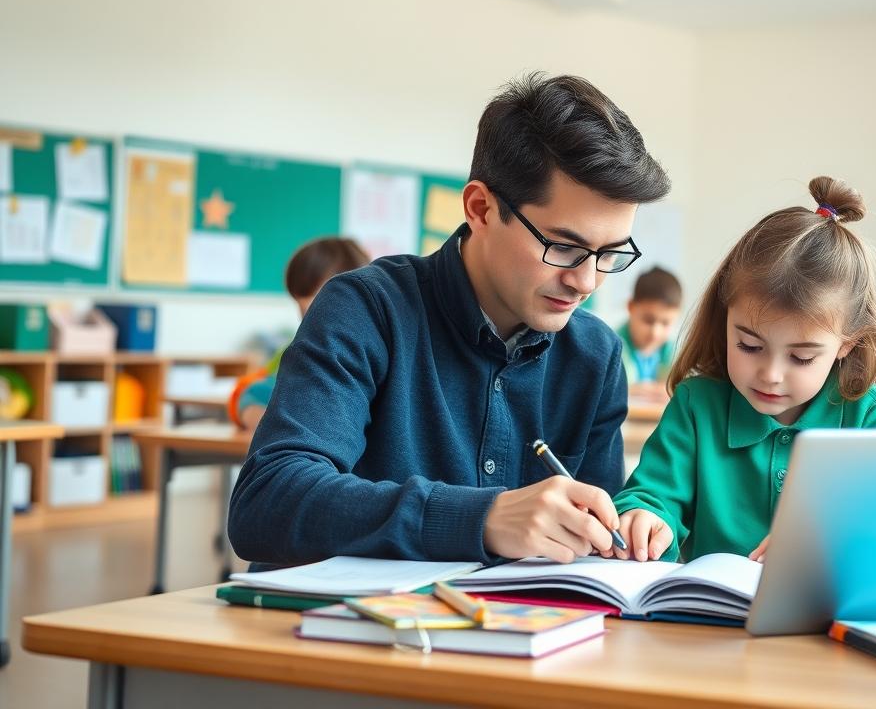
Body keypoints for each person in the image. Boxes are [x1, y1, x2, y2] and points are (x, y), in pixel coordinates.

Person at [228, 73, 671, 565]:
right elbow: (266, 503)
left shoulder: (595, 356)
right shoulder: (365, 309)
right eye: (563, 247)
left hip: (516, 635)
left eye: (610, 253)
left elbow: (591, 555)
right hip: (342, 635)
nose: (587, 282)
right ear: (480, 208)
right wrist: (482, 518)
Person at [610, 176, 876, 563]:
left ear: (846, 344)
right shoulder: (696, 405)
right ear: (724, 321)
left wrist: (835, 536)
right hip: (702, 619)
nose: (770, 374)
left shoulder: (870, 414)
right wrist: (645, 518)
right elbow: (653, 495)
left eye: (801, 358)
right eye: (749, 346)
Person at [233, 237, 371, 432]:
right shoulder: (296, 349)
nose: (305, 313)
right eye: (299, 303)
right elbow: (252, 391)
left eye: (318, 300)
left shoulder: (377, 350)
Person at [618, 266, 681, 402]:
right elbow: (617, 389)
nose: (655, 333)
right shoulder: (614, 344)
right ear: (631, 307)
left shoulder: (671, 349)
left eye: (665, 323)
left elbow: (673, 387)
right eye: (648, 320)